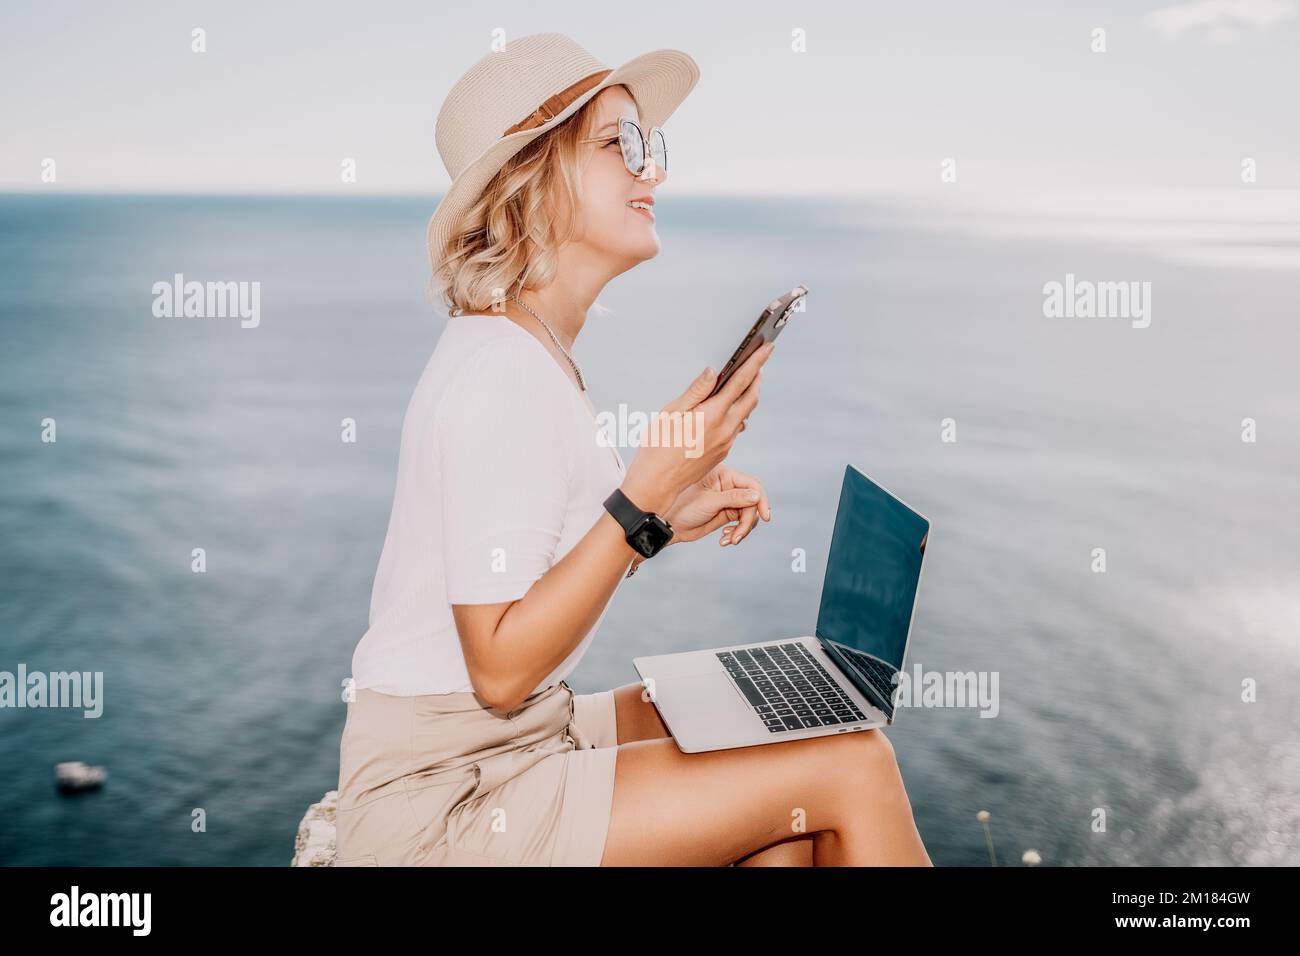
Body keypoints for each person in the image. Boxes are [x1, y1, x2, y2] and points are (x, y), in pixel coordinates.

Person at [335, 32, 931, 867]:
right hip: (448, 796)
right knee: (849, 763)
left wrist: (661, 517)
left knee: (770, 748)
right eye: (622, 144)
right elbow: (500, 670)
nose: (654, 171)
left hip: (514, 739)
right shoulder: (501, 376)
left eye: (649, 145)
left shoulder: (524, 350)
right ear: (529, 186)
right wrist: (642, 495)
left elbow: (535, 574)